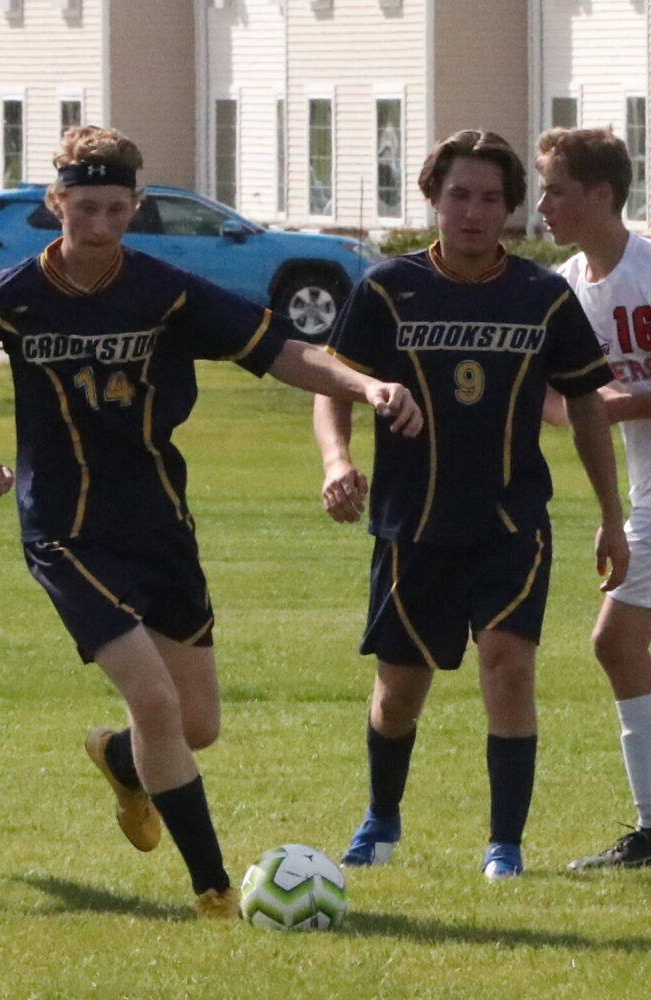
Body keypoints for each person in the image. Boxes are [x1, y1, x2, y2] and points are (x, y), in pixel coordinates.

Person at [0, 124, 423, 917]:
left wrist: (364, 386)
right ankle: (216, 892)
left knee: (194, 726)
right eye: (81, 208)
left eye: (114, 210)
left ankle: (121, 760)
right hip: (64, 529)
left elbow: (285, 352)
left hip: (159, 522)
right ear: (54, 203)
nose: (96, 227)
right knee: (156, 703)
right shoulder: (10, 297)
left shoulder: (167, 291)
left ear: (137, 207)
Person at [313, 129, 629, 881]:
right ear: (432, 198)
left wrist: (611, 516)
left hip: (510, 524)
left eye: (492, 198)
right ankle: (382, 819)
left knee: (508, 669)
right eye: (459, 195)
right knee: (398, 695)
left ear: (512, 210)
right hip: (411, 526)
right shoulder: (389, 288)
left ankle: (504, 847)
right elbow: (334, 383)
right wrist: (337, 460)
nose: (474, 211)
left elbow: (586, 403)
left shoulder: (542, 295)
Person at [537, 126, 651, 870]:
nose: (541, 203)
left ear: (601, 195)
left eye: (556, 188)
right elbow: (556, 395)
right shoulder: (567, 285)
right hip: (645, 491)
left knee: (615, 640)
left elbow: (604, 402)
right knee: (619, 643)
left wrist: (613, 404)